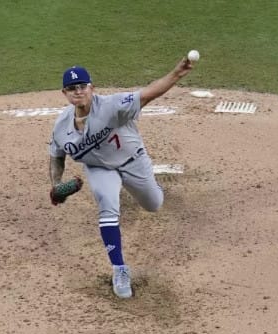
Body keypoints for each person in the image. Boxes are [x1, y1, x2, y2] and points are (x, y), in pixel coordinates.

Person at [48, 56, 194, 299]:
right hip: (98, 168)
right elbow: (56, 155)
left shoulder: (112, 106)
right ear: (65, 93)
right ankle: (119, 269)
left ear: (92, 88)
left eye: (82, 86)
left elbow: (147, 94)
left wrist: (177, 73)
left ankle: (145, 188)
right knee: (107, 204)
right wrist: (56, 185)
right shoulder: (61, 126)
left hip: (132, 161)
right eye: (72, 89)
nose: (78, 92)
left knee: (153, 204)